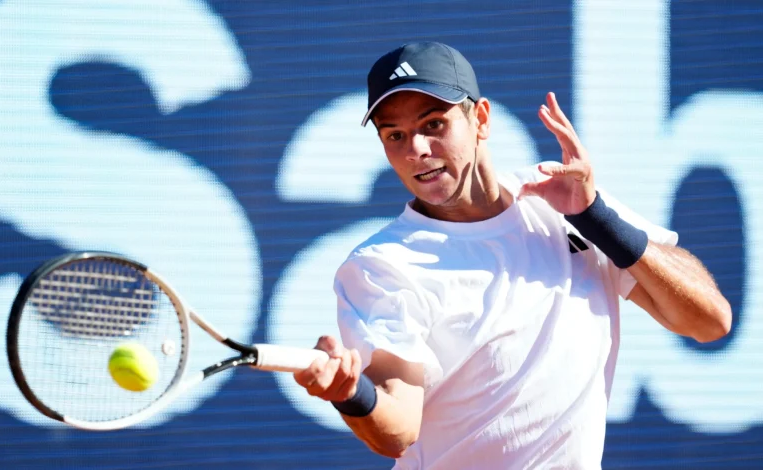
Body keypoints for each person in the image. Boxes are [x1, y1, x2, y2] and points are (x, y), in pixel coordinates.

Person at [292, 41, 731, 469]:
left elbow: (710, 321)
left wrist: (595, 216)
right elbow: (398, 429)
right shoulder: (382, 265)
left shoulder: (564, 201)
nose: (416, 151)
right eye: (395, 135)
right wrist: (353, 395)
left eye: (433, 125)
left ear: (481, 119)